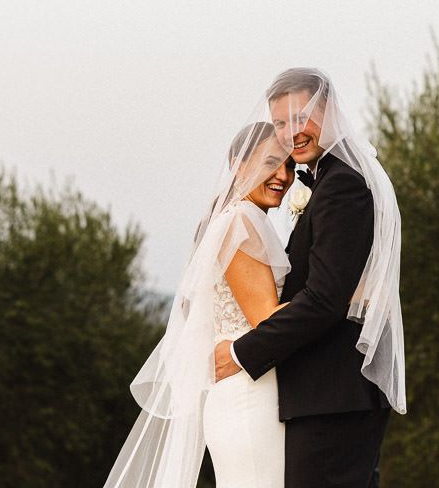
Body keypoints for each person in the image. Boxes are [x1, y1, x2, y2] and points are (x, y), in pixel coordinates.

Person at [215, 67, 406, 488]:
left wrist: (244, 352)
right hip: (329, 396)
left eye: (300, 119)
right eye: (280, 123)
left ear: (331, 110)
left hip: (331, 394)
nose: (291, 133)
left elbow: (323, 299)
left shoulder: (341, 184)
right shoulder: (331, 178)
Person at [104, 118, 296, 488]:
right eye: (271, 162)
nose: (284, 176)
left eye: (289, 165)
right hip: (249, 393)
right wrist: (340, 297)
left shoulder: (232, 218)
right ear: (238, 165)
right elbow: (267, 320)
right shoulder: (241, 220)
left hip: (243, 388)